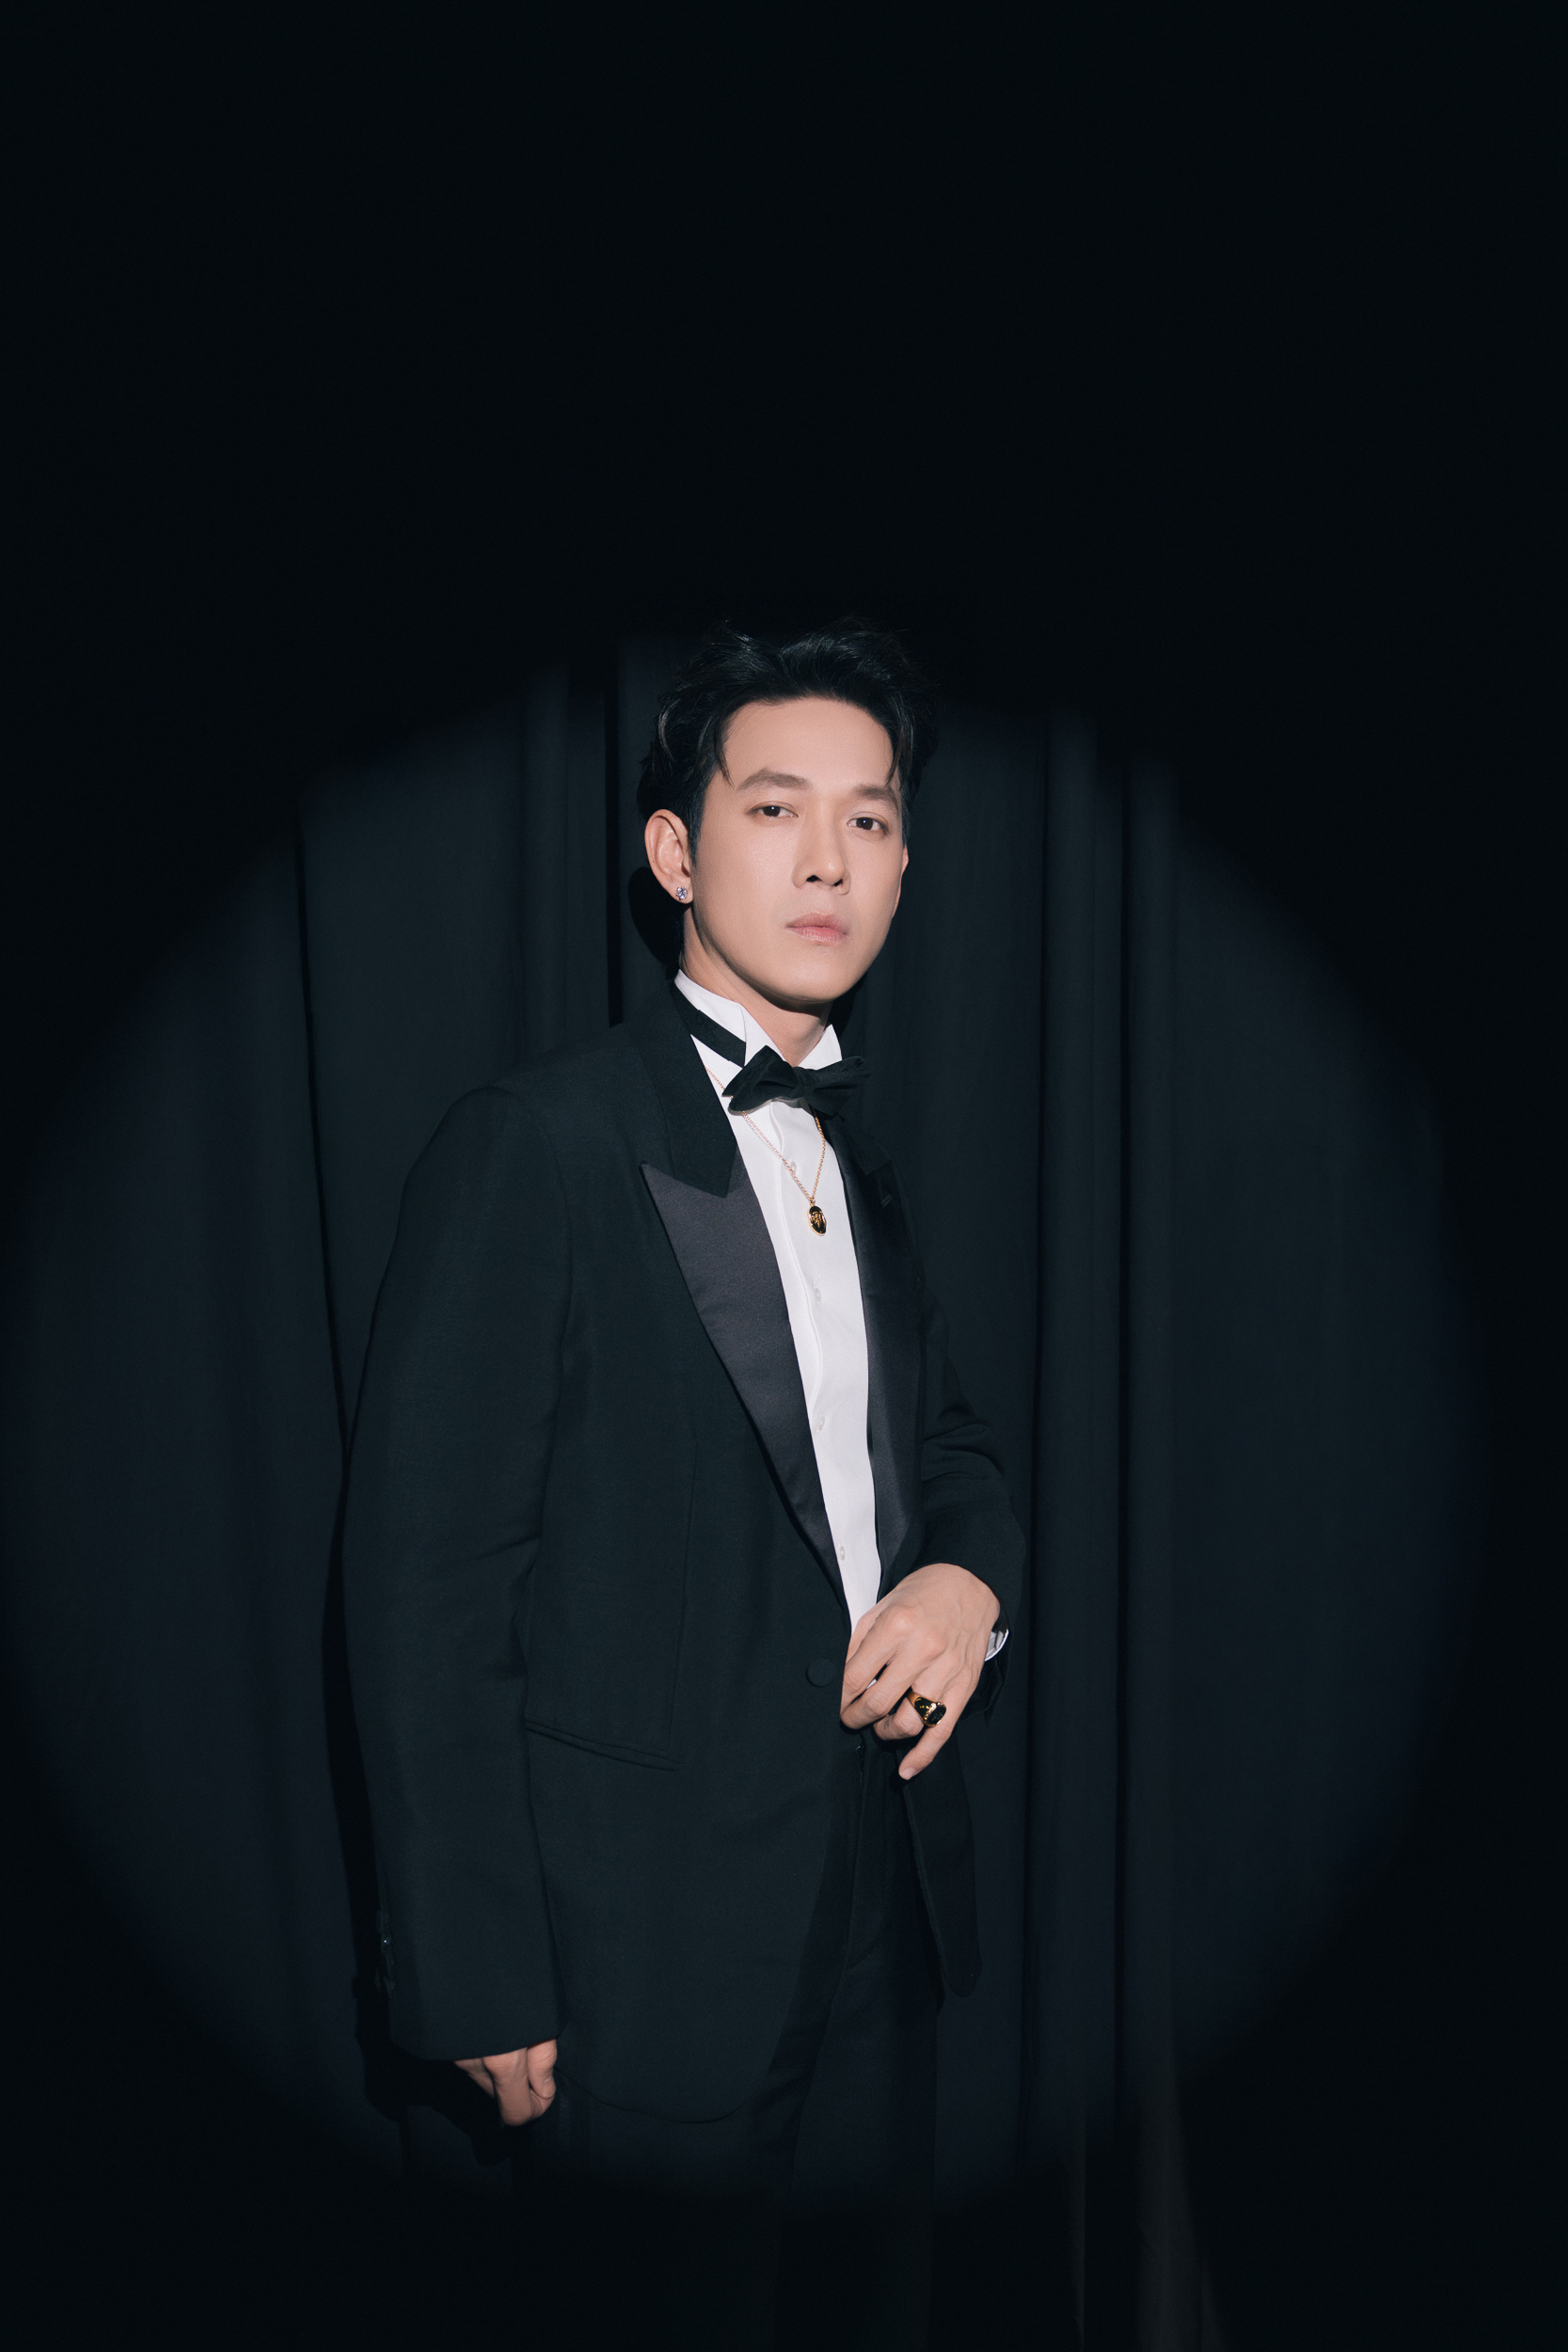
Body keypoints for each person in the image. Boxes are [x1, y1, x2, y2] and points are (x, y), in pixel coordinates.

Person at [342, 621, 1025, 2345]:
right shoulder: (535, 1144)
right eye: (776, 808)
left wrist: (969, 1584)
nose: (828, 858)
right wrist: (473, 1965)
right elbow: (426, 1588)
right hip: (630, 1959)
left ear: (905, 865)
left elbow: (948, 1446)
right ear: (674, 852)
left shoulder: (859, 1153)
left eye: (870, 819)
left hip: (880, 1926)